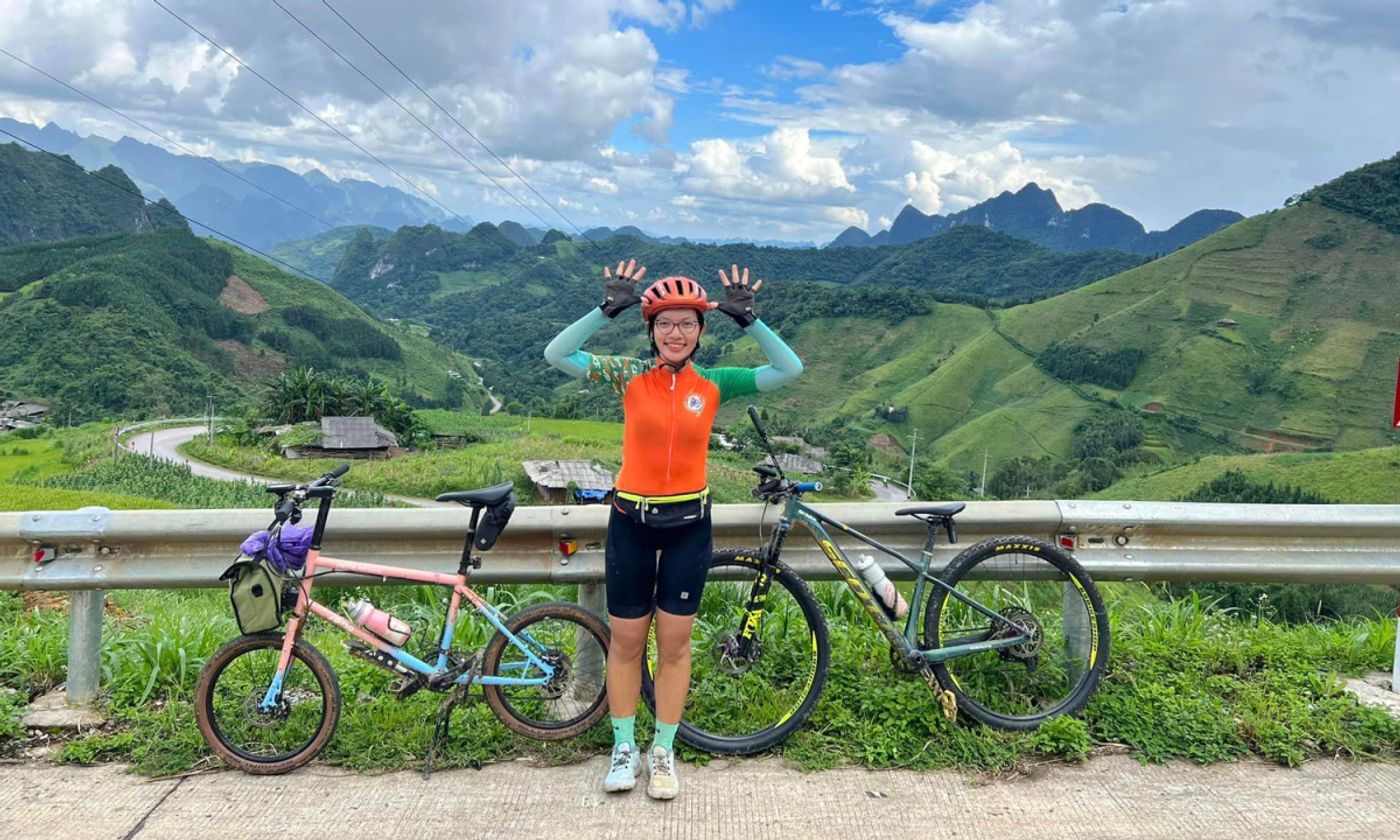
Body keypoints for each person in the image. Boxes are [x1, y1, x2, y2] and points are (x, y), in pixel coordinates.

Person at [544, 260, 803, 800]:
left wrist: (750, 322)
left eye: (687, 323)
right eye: (664, 323)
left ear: (701, 330)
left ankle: (662, 750)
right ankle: (623, 747)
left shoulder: (715, 383)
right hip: (630, 522)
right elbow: (557, 355)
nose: (676, 333)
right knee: (627, 642)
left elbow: (789, 367)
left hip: (689, 525)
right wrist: (604, 310)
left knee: (676, 644)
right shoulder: (628, 376)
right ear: (650, 330)